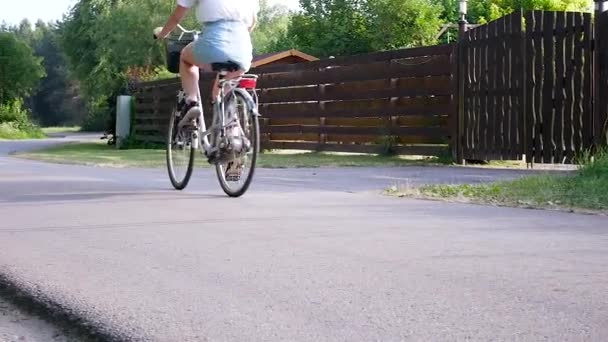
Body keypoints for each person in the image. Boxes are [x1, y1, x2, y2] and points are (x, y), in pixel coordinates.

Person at [153, 0, 259, 119]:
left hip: (214, 41)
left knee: (185, 58)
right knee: (222, 99)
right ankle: (230, 132)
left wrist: (162, 34)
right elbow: (253, 21)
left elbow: (176, 17)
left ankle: (191, 101)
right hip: (242, 48)